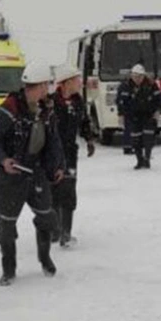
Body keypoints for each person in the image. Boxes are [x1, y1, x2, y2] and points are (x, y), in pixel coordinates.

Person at [0, 60, 66, 285]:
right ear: (34, 87)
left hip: (36, 174)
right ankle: (8, 269)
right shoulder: (8, 110)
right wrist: (2, 161)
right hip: (11, 178)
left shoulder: (46, 111)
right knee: (7, 226)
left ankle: (45, 258)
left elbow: (53, 142)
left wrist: (57, 166)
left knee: (47, 217)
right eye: (44, 86)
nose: (47, 90)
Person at [50, 64, 97, 248]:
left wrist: (90, 140)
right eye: (77, 79)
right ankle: (54, 230)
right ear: (66, 82)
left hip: (70, 153)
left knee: (69, 191)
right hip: (51, 155)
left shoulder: (78, 101)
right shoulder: (50, 103)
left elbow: (84, 122)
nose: (80, 83)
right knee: (53, 191)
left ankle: (66, 233)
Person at [115, 64, 161, 169]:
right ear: (131, 75)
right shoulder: (125, 86)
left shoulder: (151, 85)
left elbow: (159, 99)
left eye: (140, 76)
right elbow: (120, 101)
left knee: (148, 138)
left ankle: (147, 158)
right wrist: (121, 115)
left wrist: (158, 112)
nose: (137, 79)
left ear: (143, 76)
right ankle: (139, 160)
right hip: (133, 117)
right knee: (135, 139)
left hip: (149, 115)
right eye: (135, 76)